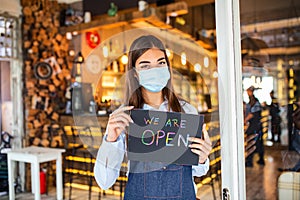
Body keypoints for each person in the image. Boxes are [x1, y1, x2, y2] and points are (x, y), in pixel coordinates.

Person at [94, 35, 212, 199]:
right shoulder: (125, 116)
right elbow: (104, 181)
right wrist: (110, 139)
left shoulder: (187, 111)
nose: (155, 70)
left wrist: (203, 158)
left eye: (160, 63)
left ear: (168, 67)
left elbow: (198, 171)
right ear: (135, 73)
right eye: (145, 65)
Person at [244, 86, 265, 167]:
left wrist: (245, 120)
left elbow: (252, 114)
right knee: (257, 142)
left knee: (252, 141)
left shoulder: (254, 102)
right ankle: (259, 159)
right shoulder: (253, 101)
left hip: (254, 126)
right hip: (256, 125)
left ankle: (250, 161)